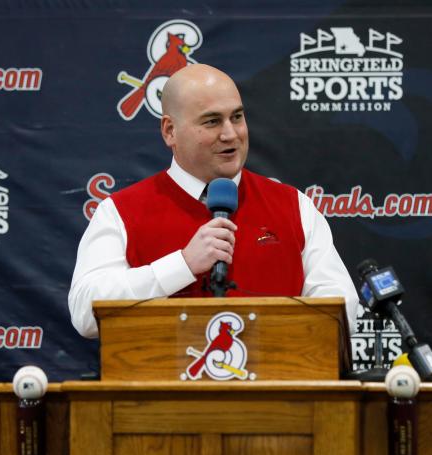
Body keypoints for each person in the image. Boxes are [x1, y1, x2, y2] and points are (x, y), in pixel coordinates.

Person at [68, 64, 358, 338]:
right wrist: (182, 265)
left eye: (237, 117)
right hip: (161, 390)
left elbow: (342, 307)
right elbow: (85, 312)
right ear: (170, 131)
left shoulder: (294, 206)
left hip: (276, 387)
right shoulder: (120, 212)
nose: (231, 134)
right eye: (212, 121)